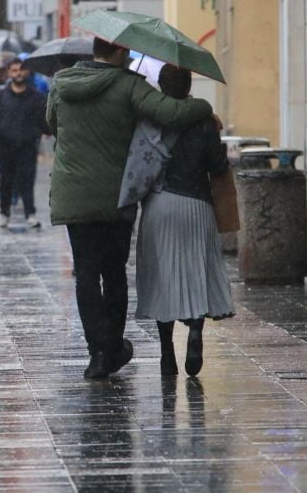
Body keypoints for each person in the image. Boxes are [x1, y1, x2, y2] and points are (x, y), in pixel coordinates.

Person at [47, 37, 213, 380]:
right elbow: (172, 112)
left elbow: (52, 124)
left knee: (86, 275)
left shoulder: (61, 84)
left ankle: (98, 355)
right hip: (115, 196)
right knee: (114, 272)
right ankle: (113, 346)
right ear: (121, 52)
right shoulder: (128, 85)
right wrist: (205, 108)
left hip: (72, 195)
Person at [135, 65, 235, 377]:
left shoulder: (150, 120)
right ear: (189, 86)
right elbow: (217, 167)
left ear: (161, 87)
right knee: (196, 272)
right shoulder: (205, 121)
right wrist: (216, 137)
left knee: (162, 276)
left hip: (158, 205)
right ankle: (194, 333)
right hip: (197, 205)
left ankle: (167, 352)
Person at [0, 58, 49, 229]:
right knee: (5, 180)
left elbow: (43, 118)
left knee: (27, 179)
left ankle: (30, 213)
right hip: (5, 144)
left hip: (28, 145)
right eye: (14, 70)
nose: (18, 73)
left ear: (27, 72)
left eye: (21, 70)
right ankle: (4, 213)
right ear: (8, 72)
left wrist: (42, 131)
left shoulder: (36, 96)